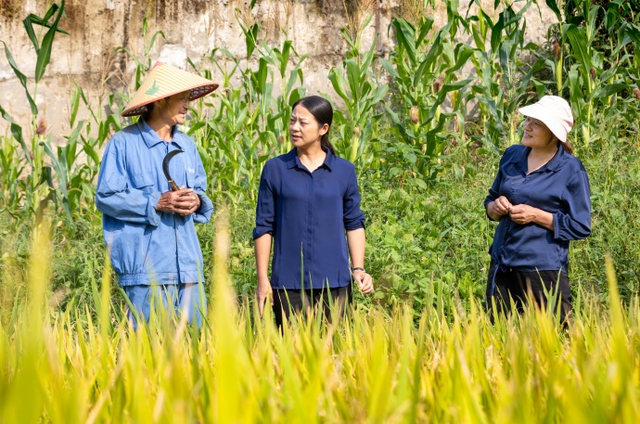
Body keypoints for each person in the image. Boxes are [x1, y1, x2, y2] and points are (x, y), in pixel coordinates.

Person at [96, 62, 217, 329]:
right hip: (145, 268)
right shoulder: (123, 143)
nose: (188, 105)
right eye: (182, 99)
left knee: (194, 350)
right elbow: (106, 196)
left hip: (187, 268)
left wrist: (196, 201)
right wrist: (155, 201)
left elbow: (200, 189)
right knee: (145, 354)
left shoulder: (186, 145)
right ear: (161, 101)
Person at [253, 95, 374, 327]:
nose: (294, 128)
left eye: (303, 122)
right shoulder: (275, 169)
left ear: (323, 128)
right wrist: (262, 281)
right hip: (288, 284)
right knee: (290, 356)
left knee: (335, 354)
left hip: (335, 283)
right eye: (292, 121)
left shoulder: (343, 171)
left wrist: (358, 268)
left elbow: (354, 222)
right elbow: (264, 227)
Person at [484, 95, 591, 323]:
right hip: (502, 264)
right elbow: (490, 202)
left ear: (554, 133)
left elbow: (581, 226)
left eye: (537, 123)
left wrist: (536, 215)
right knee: (500, 338)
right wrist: (496, 206)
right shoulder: (512, 155)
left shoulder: (570, 170)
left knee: (555, 342)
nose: (527, 126)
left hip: (542, 271)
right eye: (528, 120)